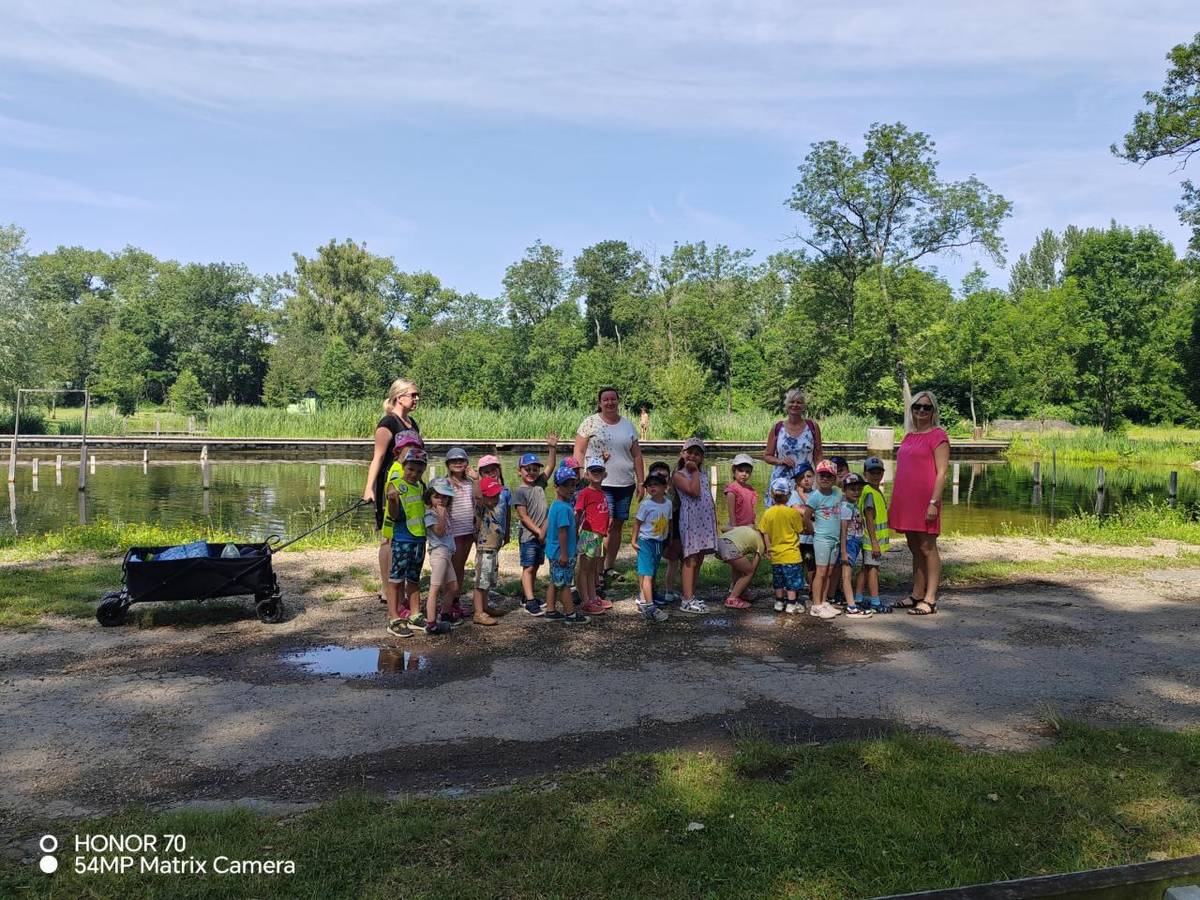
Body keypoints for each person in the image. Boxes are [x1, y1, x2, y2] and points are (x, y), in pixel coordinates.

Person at [573, 387, 645, 582]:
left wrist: (641, 481)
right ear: (600, 403)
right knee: (605, 523)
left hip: (625, 482)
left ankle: (608, 566)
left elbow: (637, 455)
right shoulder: (590, 423)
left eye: (613, 399)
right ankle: (595, 568)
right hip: (600, 483)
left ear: (618, 401)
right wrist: (580, 474)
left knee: (618, 524)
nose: (610, 403)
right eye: (606, 399)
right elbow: (579, 451)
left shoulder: (628, 425)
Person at [890, 389, 950, 616]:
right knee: (914, 547)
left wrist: (934, 502)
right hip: (906, 500)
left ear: (933, 411)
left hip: (926, 500)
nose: (921, 411)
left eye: (927, 407)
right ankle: (916, 593)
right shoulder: (909, 436)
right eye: (917, 407)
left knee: (928, 547)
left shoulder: (938, 436)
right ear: (911, 410)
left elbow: (942, 472)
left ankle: (930, 598)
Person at [362, 379, 421, 603]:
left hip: (410, 487)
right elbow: (377, 459)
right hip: (390, 486)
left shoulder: (411, 423)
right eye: (413, 395)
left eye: (417, 396)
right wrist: (369, 488)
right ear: (399, 397)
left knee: (405, 535)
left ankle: (401, 583)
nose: (416, 399)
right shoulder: (387, 423)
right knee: (388, 538)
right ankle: (387, 588)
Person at [512, 436, 560, 615]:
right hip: (530, 535)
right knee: (528, 567)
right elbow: (523, 517)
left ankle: (527, 595)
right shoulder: (519, 491)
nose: (531, 472)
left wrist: (552, 448)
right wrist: (539, 531)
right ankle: (530, 601)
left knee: (537, 566)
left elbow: (550, 467)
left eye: (534, 469)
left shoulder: (540, 483)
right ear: (519, 471)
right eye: (527, 469)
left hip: (543, 535)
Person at [384, 447, 428, 637]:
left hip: (419, 539)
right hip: (402, 539)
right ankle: (394, 617)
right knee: (396, 579)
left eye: (418, 471)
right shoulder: (395, 485)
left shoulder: (421, 486)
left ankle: (415, 614)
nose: (414, 474)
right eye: (410, 469)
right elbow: (394, 515)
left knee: (414, 578)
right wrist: (392, 502)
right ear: (403, 466)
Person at [673, 437, 717, 614]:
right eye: (690, 452)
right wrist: (695, 472)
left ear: (702, 457)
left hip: (705, 521)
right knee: (690, 559)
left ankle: (692, 593)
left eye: (697, 454)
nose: (693, 456)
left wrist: (715, 520)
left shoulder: (704, 474)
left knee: (699, 558)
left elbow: (708, 499)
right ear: (683, 454)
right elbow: (694, 491)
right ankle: (686, 598)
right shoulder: (679, 475)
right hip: (691, 521)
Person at [543, 468, 589, 623]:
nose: (570, 489)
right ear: (556, 487)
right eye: (565, 485)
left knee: (554, 581)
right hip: (561, 553)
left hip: (553, 552)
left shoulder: (557, 504)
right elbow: (562, 532)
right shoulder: (563, 508)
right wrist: (564, 554)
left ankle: (550, 610)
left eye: (573, 485)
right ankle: (570, 613)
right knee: (564, 584)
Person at [763, 387, 823, 504]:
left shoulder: (812, 426)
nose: (795, 405)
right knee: (780, 516)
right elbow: (767, 456)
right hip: (781, 480)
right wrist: (780, 461)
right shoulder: (777, 427)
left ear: (803, 406)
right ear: (786, 405)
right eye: (792, 402)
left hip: (805, 480)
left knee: (807, 515)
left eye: (799, 402)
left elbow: (818, 454)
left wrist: (821, 476)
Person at [801, 460, 844, 620]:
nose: (825, 479)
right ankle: (816, 604)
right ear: (817, 477)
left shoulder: (838, 493)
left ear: (834, 478)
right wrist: (813, 532)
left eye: (829, 476)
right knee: (821, 572)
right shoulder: (815, 497)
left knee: (830, 572)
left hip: (835, 539)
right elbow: (806, 517)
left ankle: (824, 601)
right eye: (822, 475)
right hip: (821, 539)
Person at [759, 478, 807, 613]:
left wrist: (768, 547)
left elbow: (764, 532)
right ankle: (792, 604)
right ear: (789, 495)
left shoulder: (768, 513)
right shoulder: (793, 513)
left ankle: (779, 602)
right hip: (792, 554)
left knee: (778, 581)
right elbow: (800, 530)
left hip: (776, 556)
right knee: (792, 582)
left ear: (773, 495)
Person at [632, 472, 672, 623]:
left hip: (659, 542)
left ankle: (643, 599)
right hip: (646, 541)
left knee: (651, 571)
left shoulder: (668, 503)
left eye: (656, 484)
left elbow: (669, 521)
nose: (652, 487)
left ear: (664, 487)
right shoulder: (646, 504)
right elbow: (637, 523)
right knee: (647, 573)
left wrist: (668, 538)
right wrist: (634, 540)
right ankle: (650, 607)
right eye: (649, 485)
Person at [443, 447, 477, 622]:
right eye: (453, 461)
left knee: (461, 567)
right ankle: (448, 603)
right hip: (453, 531)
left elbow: (478, 501)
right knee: (453, 569)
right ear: (448, 464)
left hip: (468, 531)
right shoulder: (445, 484)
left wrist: (477, 479)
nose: (458, 464)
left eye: (461, 461)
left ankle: (455, 600)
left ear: (467, 464)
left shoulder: (470, 483)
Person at [575, 458, 611, 615]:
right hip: (588, 535)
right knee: (584, 569)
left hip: (598, 536)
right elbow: (578, 513)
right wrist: (575, 533)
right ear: (587, 475)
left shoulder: (602, 493)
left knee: (593, 569)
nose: (597, 474)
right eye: (593, 471)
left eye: (600, 471)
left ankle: (593, 596)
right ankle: (585, 601)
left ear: (605, 474)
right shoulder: (585, 493)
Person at [468, 476, 506, 626]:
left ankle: (485, 606)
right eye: (491, 496)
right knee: (481, 582)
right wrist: (476, 479)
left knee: (488, 581)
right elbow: (477, 496)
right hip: (484, 550)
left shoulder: (495, 508)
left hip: (493, 550)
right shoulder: (481, 507)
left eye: (497, 495)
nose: (495, 499)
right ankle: (478, 612)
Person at [422, 479, 458, 635]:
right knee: (435, 589)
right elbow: (440, 531)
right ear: (430, 497)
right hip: (439, 554)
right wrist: (442, 515)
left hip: (447, 553)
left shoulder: (445, 512)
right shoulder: (430, 514)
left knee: (453, 587)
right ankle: (431, 623)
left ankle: (444, 613)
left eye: (445, 497)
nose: (441, 500)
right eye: (437, 496)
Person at [857, 457, 892, 612]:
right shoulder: (869, 492)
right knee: (872, 569)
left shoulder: (874, 490)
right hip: (871, 540)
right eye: (872, 473)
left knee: (866, 568)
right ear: (865, 474)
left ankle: (858, 598)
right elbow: (869, 518)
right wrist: (874, 542)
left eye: (879, 472)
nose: (876, 475)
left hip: (871, 540)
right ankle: (875, 602)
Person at [837, 474, 874, 617]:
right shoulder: (846, 507)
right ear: (845, 490)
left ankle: (848, 601)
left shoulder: (853, 505)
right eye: (853, 489)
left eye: (859, 489)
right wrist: (844, 551)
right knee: (846, 575)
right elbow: (843, 531)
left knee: (847, 574)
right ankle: (851, 606)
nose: (856, 492)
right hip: (849, 542)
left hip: (856, 541)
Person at [649, 460, 681, 604]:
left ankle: (668, 590)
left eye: (665, 475)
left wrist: (671, 535)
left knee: (673, 560)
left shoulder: (671, 494)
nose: (661, 477)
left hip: (667, 533)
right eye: (658, 475)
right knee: (651, 565)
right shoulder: (648, 497)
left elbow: (672, 517)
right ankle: (648, 593)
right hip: (651, 536)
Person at [715, 525, 765, 610]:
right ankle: (732, 599)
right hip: (731, 547)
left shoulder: (746, 528)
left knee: (738, 567)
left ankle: (740, 591)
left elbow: (723, 528)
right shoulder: (761, 543)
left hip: (718, 544)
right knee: (749, 572)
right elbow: (753, 567)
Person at [788, 463, 817, 593]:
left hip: (812, 538)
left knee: (812, 566)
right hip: (798, 539)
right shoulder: (793, 494)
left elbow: (816, 511)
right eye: (801, 477)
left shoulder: (817, 494)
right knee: (797, 565)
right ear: (796, 481)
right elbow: (797, 509)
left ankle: (813, 589)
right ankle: (795, 590)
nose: (806, 480)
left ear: (814, 477)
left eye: (809, 476)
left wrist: (803, 498)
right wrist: (809, 511)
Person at [723, 453, 758, 529]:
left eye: (747, 472)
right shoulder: (732, 490)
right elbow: (731, 512)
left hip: (749, 525)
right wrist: (735, 528)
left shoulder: (750, 489)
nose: (744, 474)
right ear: (734, 470)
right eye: (741, 471)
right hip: (737, 527)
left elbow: (751, 510)